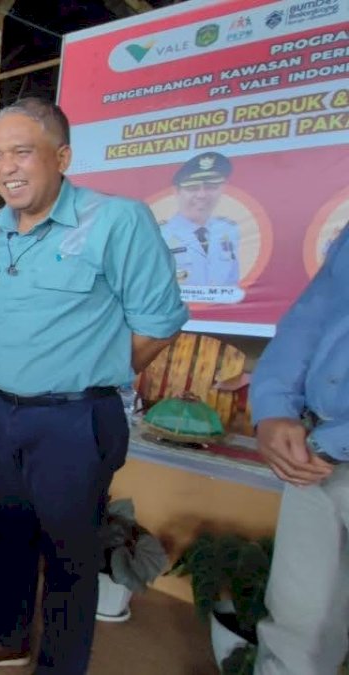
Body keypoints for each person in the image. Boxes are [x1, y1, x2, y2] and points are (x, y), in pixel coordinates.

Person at [0, 98, 187, 675]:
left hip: (75, 420)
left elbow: (159, 321)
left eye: (23, 152)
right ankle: (7, 637)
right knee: (11, 530)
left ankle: (59, 666)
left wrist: (86, 368)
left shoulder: (116, 221)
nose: (7, 168)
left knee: (70, 555)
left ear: (63, 156)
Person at [249, 227, 349, 675]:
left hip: (325, 445)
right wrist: (272, 406)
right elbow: (310, 320)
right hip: (314, 454)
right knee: (296, 627)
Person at [160, 151, 240, 287]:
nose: (202, 195)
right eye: (192, 188)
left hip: (223, 306)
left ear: (222, 189)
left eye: (211, 187)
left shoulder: (230, 229)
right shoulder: (159, 234)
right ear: (177, 192)